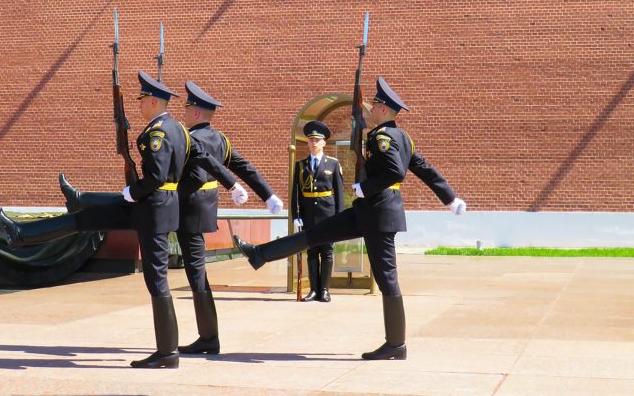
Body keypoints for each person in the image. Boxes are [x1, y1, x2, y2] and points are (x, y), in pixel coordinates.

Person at [0, 70, 249, 369]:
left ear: (154, 102)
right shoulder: (180, 129)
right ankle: (23, 233)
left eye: (142, 100)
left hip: (152, 207)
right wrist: (232, 184)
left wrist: (132, 190)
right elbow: (206, 159)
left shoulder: (157, 133)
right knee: (89, 218)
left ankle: (167, 352)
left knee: (157, 279)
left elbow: (155, 177)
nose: (139, 105)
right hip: (157, 206)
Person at [233, 76, 467, 361]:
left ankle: (396, 344)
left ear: (383, 110)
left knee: (386, 278)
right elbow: (425, 169)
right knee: (316, 234)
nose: (372, 109)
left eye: (375, 105)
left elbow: (396, 172)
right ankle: (260, 254)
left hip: (378, 214)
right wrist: (449, 197)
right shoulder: (402, 137)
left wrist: (363, 187)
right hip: (368, 212)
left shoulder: (383, 137)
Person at [60, 80, 283, 356]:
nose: (184, 113)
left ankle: (81, 200)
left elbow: (182, 173)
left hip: (178, 207)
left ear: (197, 113)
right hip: (203, 211)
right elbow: (245, 168)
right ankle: (208, 336)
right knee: (197, 274)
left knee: (138, 222)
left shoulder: (189, 138)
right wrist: (267, 196)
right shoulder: (221, 140)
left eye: (188, 108)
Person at [291, 121, 344, 302]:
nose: (313, 143)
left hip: (327, 213)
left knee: (327, 251)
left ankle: (325, 290)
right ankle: (313, 290)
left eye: (317, 140)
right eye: (310, 140)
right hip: (308, 214)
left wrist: (339, 217)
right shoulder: (300, 165)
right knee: (312, 251)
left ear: (324, 143)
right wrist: (296, 215)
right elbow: (295, 193)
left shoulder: (333, 164)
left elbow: (339, 193)